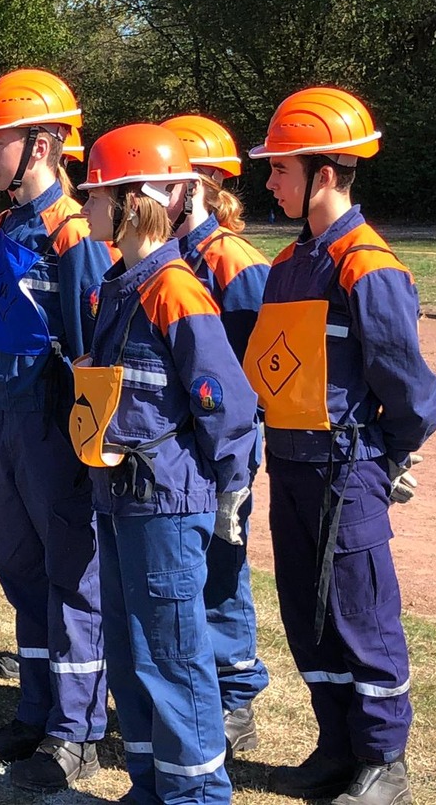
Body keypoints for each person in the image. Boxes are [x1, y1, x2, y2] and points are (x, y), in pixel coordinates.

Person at [246, 88, 436, 805]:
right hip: (292, 466)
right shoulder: (291, 264)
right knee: (310, 615)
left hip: (345, 471)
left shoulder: (367, 266)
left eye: (281, 169)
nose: (269, 181)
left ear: (324, 174)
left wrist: (383, 458)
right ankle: (338, 745)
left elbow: (414, 394)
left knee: (363, 617)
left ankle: (385, 760)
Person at [76, 123, 258, 805]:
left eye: (96, 194)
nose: (84, 205)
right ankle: (154, 784)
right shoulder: (120, 284)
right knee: (132, 653)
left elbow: (227, 402)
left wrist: (230, 491)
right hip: (119, 496)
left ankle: (197, 797)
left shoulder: (174, 289)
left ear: (132, 201)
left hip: (165, 502)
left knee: (176, 658)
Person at [0, 69, 112, 792]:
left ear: (43, 145)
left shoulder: (72, 234)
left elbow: (90, 351)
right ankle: (37, 708)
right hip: (11, 424)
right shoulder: (4, 225)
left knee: (70, 576)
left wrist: (88, 447)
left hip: (54, 427)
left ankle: (77, 732)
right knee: (20, 570)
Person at [160, 114, 271, 754]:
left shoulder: (234, 262)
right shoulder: (170, 256)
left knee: (221, 568)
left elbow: (256, 372)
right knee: (184, 568)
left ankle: (235, 697)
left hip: (222, 444)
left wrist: (236, 455)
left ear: (198, 184)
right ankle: (194, 689)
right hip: (177, 443)